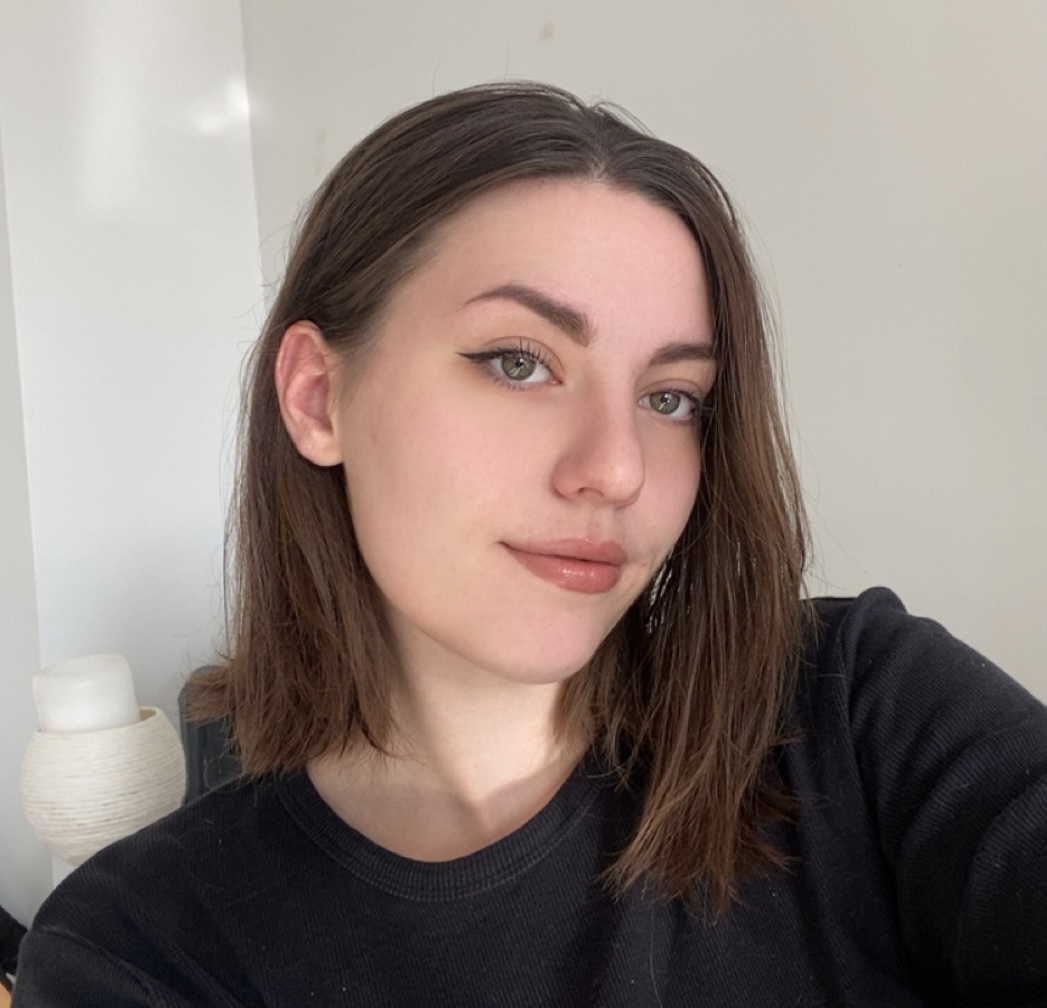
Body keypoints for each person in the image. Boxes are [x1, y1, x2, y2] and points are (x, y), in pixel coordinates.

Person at [14, 82, 1047, 1007]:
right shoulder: (144, 952)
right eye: (518, 361)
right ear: (319, 397)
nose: (617, 469)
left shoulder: (859, 714)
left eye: (671, 397)